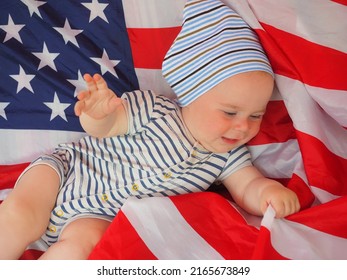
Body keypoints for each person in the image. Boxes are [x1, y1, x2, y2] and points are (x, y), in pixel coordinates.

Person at [0, 0, 300, 260]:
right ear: (191, 92)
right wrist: (99, 114)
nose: (242, 126)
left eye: (256, 115)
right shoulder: (156, 109)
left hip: (97, 215)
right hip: (66, 172)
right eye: (230, 112)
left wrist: (268, 193)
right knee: (21, 218)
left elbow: (247, 186)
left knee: (84, 248)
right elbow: (108, 126)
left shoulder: (227, 157)